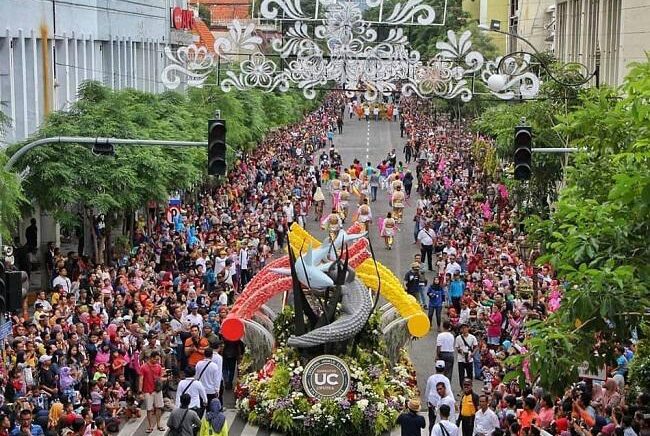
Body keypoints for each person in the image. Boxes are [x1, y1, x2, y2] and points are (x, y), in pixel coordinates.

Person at [139, 351, 166, 433]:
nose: (157, 361)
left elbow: (160, 378)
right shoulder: (143, 367)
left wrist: (166, 379)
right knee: (149, 409)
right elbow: (141, 379)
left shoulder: (159, 367)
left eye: (158, 359)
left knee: (158, 408)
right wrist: (140, 391)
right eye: (156, 359)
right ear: (151, 358)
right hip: (147, 391)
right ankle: (150, 426)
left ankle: (158, 424)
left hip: (157, 390)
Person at [425, 361, 454, 435]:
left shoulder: (431, 378)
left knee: (432, 423)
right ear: (444, 369)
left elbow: (427, 392)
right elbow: (449, 392)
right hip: (441, 405)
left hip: (432, 405)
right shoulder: (446, 379)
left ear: (436, 368)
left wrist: (427, 401)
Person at [455, 323, 478, 387]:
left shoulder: (472, 337)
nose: (464, 329)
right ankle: (462, 388)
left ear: (468, 328)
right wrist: (461, 351)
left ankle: (469, 387)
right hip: (461, 358)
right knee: (461, 375)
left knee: (469, 374)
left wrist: (472, 354)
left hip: (469, 358)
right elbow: (457, 347)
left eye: (465, 328)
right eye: (462, 328)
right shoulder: (458, 338)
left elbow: (476, 346)